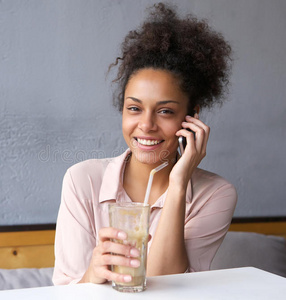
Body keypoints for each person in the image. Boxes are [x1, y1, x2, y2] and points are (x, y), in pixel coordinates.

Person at [52, 2, 237, 285]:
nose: (147, 125)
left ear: (192, 118)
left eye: (165, 111)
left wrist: (178, 184)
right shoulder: (82, 181)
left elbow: (167, 284)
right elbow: (65, 292)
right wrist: (94, 273)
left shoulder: (214, 195)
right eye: (134, 108)